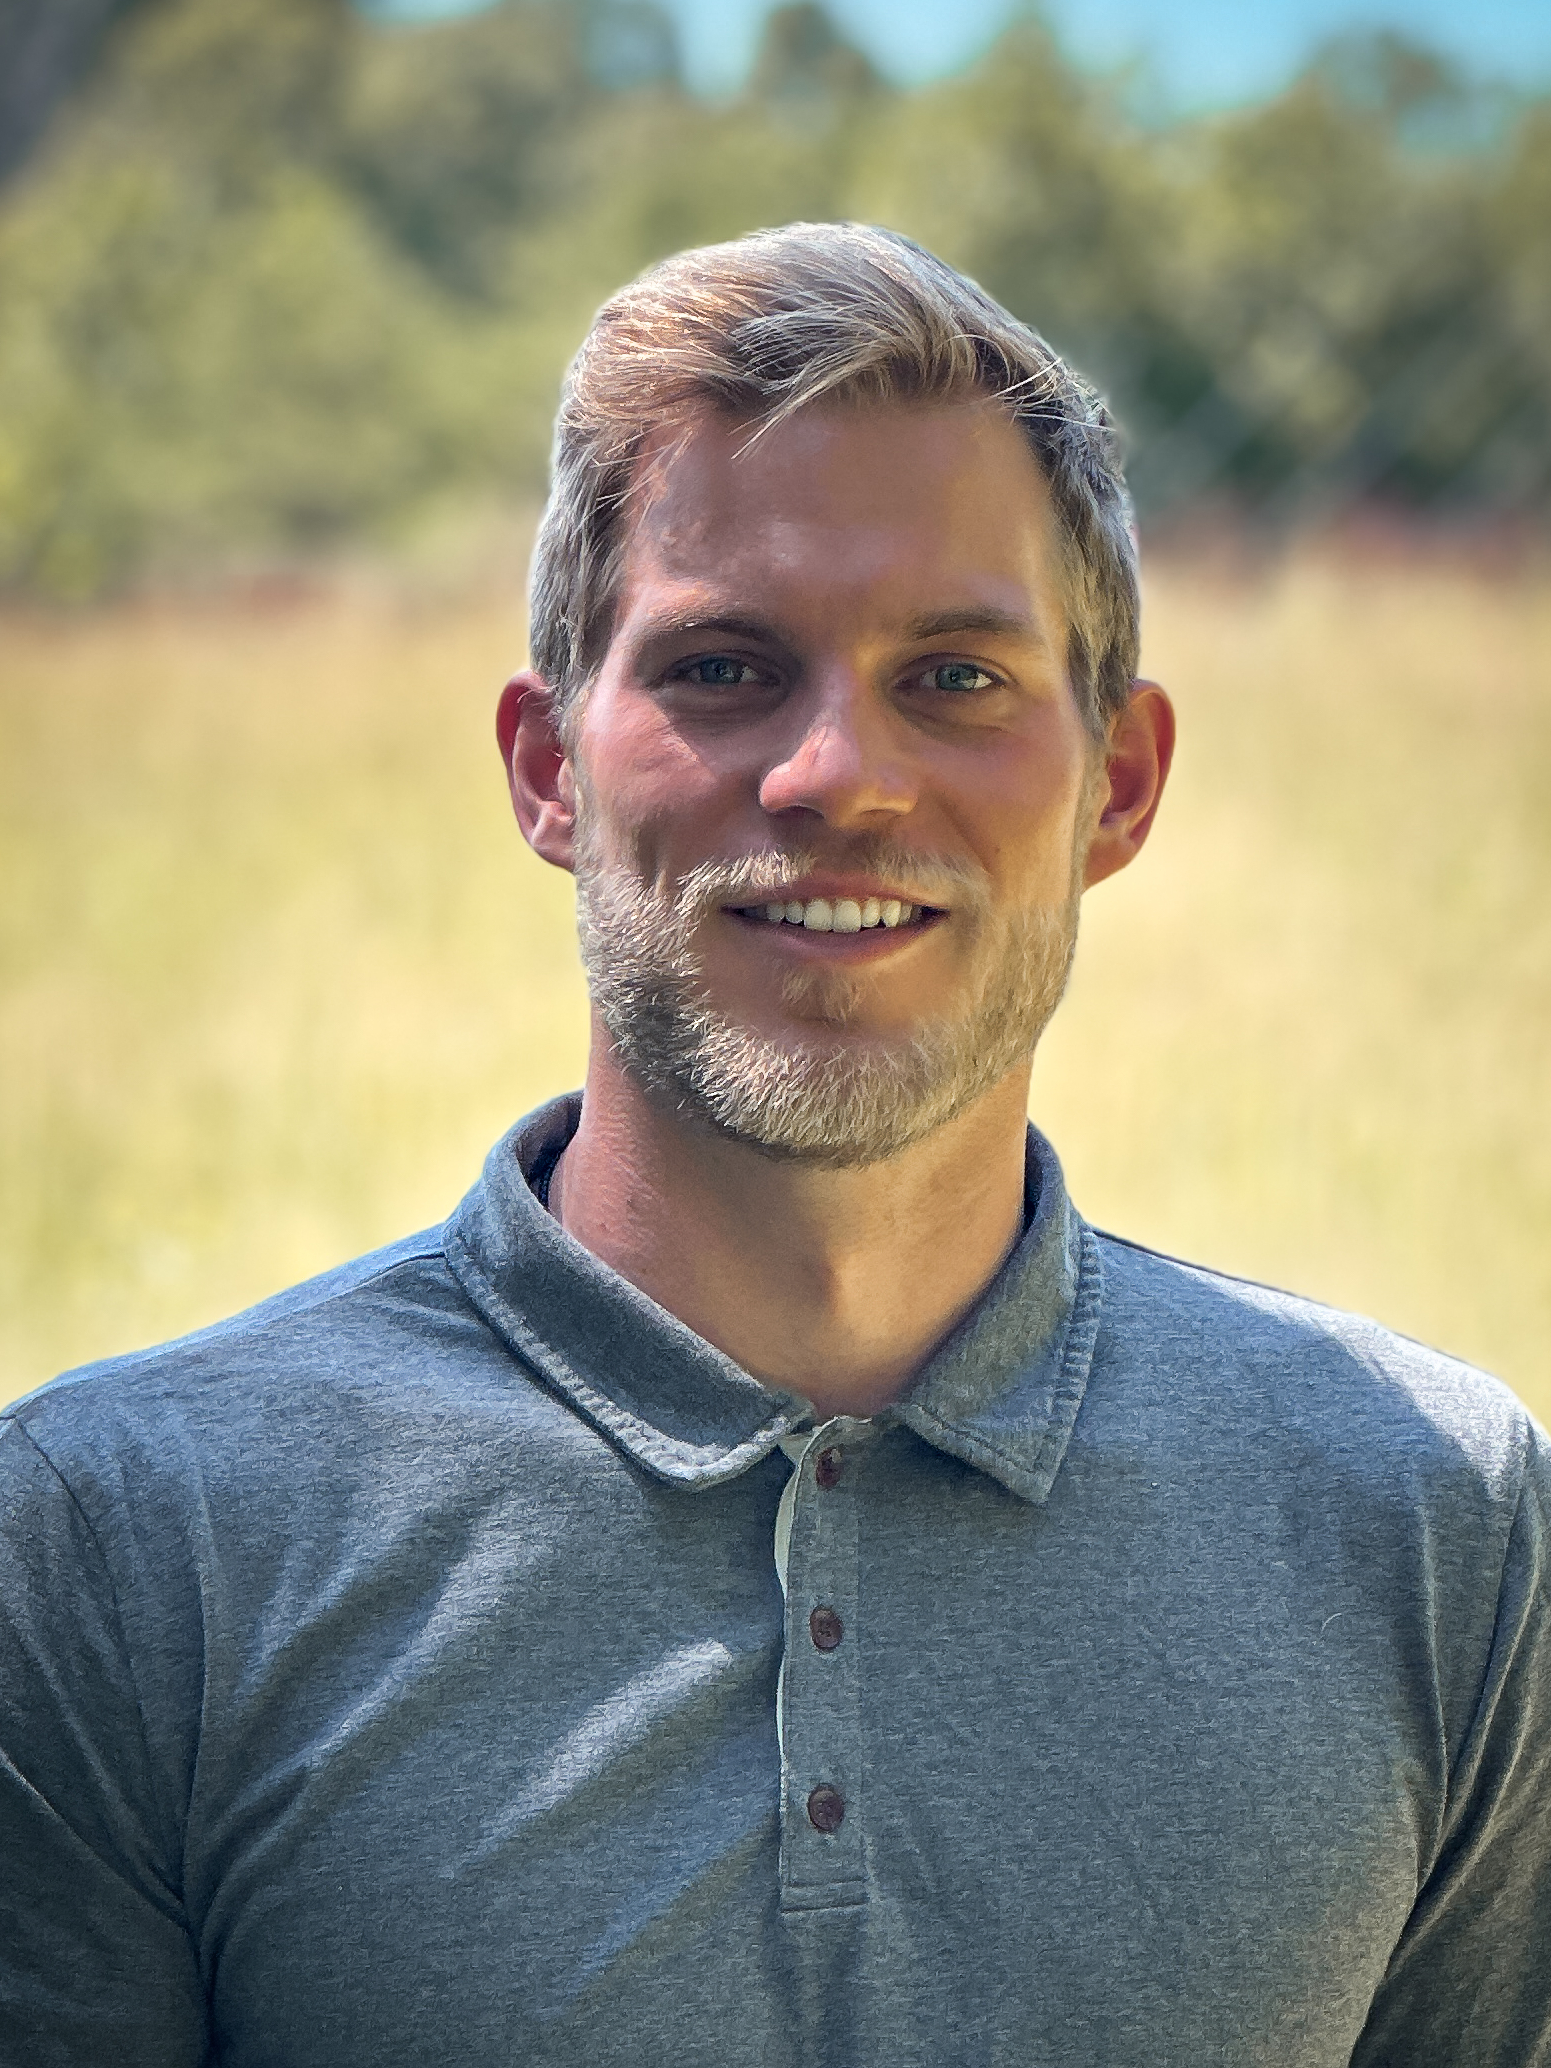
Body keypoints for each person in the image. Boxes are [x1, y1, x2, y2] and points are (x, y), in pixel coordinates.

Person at [2, 223, 1547, 2068]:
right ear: (548, 769)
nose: (837, 778)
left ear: (1120, 784)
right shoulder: (117, 1545)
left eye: (956, 678)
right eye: (726, 667)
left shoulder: (1438, 1527)